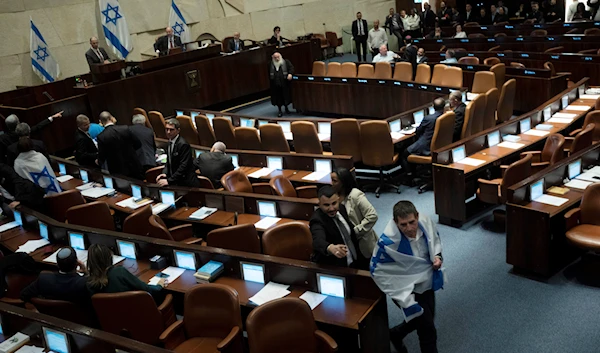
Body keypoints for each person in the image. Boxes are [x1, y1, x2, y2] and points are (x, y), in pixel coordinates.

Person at [371, 201, 444, 353]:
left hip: (427, 283)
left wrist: (438, 257)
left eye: (412, 222)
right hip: (406, 290)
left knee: (424, 318)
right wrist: (398, 290)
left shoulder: (426, 224)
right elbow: (378, 269)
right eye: (403, 225)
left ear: (417, 216)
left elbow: (436, 243)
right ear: (395, 222)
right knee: (428, 329)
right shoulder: (387, 242)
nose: (409, 228)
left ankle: (396, 333)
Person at [310, 186, 368, 269]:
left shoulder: (342, 208)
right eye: (326, 205)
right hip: (336, 266)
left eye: (334, 203)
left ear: (338, 200)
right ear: (319, 204)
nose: (331, 208)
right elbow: (318, 241)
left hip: (355, 258)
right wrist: (330, 247)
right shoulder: (317, 220)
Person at [86, 244, 166, 303]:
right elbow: (147, 289)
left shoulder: (89, 283)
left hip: (112, 320)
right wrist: (159, 285)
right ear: (110, 258)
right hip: (137, 313)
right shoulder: (118, 272)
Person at [330, 169, 378, 260]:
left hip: (361, 242)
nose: (331, 183)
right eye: (330, 180)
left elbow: (372, 215)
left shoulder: (355, 195)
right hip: (344, 243)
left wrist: (354, 232)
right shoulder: (333, 196)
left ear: (343, 182)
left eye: (334, 181)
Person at [21, 247, 89, 305]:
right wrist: (86, 273)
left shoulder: (44, 279)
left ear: (57, 265)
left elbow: (24, 295)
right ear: (77, 263)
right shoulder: (82, 283)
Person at [400, 98, 446, 174]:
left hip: (426, 146)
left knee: (404, 153)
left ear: (433, 106)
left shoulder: (428, 118)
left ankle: (410, 176)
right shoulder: (446, 117)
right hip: (439, 145)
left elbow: (418, 131)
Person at [96, 111, 143, 180]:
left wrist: (98, 161)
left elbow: (102, 156)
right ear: (111, 118)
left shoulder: (101, 137)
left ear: (101, 122)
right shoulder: (125, 128)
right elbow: (138, 144)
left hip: (117, 170)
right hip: (133, 165)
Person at [156, 119, 199, 188]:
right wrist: (165, 173)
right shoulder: (169, 142)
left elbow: (183, 166)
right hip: (176, 180)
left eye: (171, 130)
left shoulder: (183, 144)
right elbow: (169, 161)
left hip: (186, 183)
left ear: (178, 130)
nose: (168, 132)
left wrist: (169, 180)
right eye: (166, 129)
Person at [269, 52, 294, 117]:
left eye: (278, 57)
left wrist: (290, 74)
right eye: (275, 57)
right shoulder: (270, 64)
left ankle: (286, 108)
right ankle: (279, 110)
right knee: (278, 98)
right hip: (275, 84)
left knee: (285, 96)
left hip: (284, 83)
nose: (277, 59)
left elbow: (291, 68)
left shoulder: (286, 62)